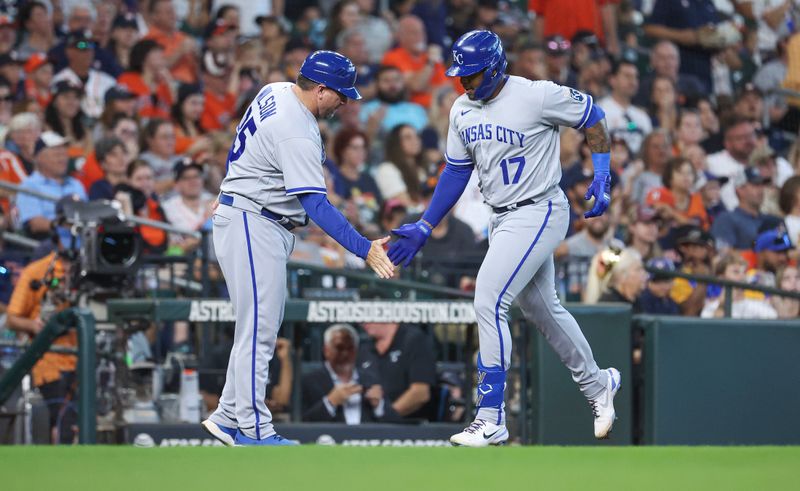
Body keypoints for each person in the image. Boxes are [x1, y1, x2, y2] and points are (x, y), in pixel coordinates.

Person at [388, 31, 620, 446]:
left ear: (495, 67)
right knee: (544, 311)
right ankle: (597, 384)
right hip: (501, 217)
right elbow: (456, 172)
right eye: (461, 76)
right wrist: (425, 225)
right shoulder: (461, 109)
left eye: (472, 76)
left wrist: (602, 173)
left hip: (540, 207)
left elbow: (593, 115)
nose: (465, 84)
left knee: (489, 299)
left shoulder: (536, 95)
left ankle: (491, 414)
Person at [200, 51, 394, 447]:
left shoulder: (275, 90)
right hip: (255, 222)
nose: (345, 102)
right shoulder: (296, 130)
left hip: (248, 215)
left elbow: (249, 148)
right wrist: (364, 248)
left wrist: (233, 186)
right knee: (260, 331)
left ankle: (227, 416)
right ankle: (255, 429)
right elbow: (317, 206)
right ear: (320, 90)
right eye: (341, 95)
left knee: (253, 327)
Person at [6, 242, 77, 443]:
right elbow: (12, 319)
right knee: (63, 422)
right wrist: (35, 326)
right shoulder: (37, 272)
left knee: (83, 421)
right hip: (50, 361)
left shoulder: (91, 269)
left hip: (86, 360)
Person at [302, 324, 385, 423]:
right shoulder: (309, 381)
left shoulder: (371, 380)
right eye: (339, 348)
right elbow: (301, 422)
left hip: (367, 437)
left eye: (350, 348)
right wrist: (330, 402)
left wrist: (379, 406)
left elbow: (395, 422)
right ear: (326, 350)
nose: (345, 353)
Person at [358, 322, 436, 421]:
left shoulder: (414, 340)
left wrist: (386, 416)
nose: (361, 322)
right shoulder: (364, 347)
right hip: (367, 425)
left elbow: (420, 393)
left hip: (409, 427)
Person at [17, 132, 86, 240]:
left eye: (64, 153)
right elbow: (34, 224)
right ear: (39, 158)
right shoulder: (29, 185)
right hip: (48, 242)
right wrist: (63, 225)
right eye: (56, 154)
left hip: (81, 239)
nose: (62, 159)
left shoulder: (75, 184)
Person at [381, 15, 449, 109]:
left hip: (439, 109)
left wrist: (426, 87)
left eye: (422, 32)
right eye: (414, 33)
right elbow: (416, 86)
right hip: (413, 109)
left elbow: (447, 88)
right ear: (401, 36)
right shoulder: (393, 57)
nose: (420, 37)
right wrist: (429, 63)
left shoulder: (429, 55)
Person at [50, 31, 116, 120]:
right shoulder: (57, 80)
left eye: (91, 46)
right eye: (82, 46)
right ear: (69, 51)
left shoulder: (108, 81)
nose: (88, 52)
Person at [711, 167, 775, 251]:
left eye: (762, 185)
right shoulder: (726, 219)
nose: (761, 190)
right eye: (755, 185)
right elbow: (723, 254)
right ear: (740, 190)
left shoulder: (771, 219)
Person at [598, 59, 652, 155]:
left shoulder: (642, 116)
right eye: (627, 76)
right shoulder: (599, 110)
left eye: (635, 77)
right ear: (612, 80)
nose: (633, 81)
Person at [706, 116, 758, 211]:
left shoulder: (773, 162)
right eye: (741, 138)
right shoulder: (712, 162)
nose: (748, 141)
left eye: (751, 135)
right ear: (727, 143)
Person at [669, 225, 714, 317]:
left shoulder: (721, 272)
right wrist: (702, 282)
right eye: (687, 246)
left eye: (697, 246)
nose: (690, 251)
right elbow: (688, 313)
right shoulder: (681, 275)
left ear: (709, 250)